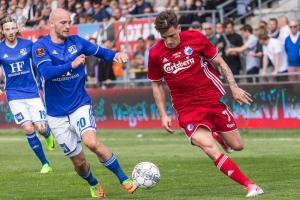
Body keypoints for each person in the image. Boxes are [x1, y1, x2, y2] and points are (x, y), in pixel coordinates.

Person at [148, 11, 264, 198]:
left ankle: (217, 134)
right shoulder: (155, 53)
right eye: (164, 38)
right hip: (186, 109)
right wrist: (163, 114)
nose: (168, 41)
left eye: (171, 35)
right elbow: (156, 84)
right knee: (208, 148)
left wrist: (233, 87)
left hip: (211, 100)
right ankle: (250, 185)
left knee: (238, 145)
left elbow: (220, 62)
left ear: (178, 28)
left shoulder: (196, 38)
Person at [31, 8, 137, 198]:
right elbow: (46, 72)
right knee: (79, 163)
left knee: (92, 142)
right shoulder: (40, 46)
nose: (68, 26)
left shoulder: (77, 42)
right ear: (51, 24)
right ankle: (93, 183)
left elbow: (100, 52)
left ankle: (124, 179)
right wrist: (71, 65)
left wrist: (115, 55)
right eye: (63, 22)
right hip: (56, 114)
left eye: (69, 22)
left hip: (79, 104)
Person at [0, 17, 54, 173]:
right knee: (29, 128)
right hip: (14, 94)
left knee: (41, 128)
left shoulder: (29, 45)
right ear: (2, 31)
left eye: (12, 28)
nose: (10, 32)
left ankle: (47, 133)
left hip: (32, 92)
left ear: (17, 29)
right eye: (7, 29)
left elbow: (40, 63)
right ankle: (45, 164)